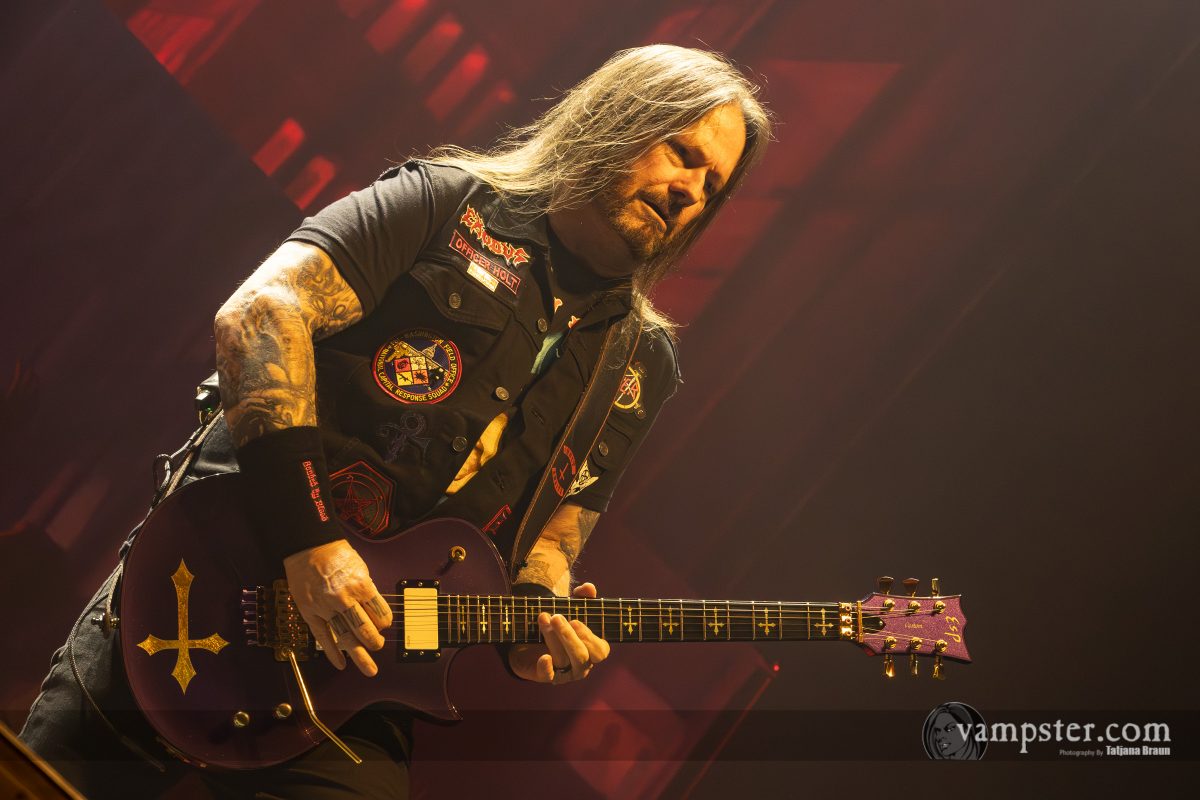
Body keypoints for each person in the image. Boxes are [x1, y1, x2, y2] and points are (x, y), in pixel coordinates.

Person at [19, 44, 771, 798]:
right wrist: (311, 543)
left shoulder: (641, 364)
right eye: (683, 154)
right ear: (616, 120)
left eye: (713, 185)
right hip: (213, 582)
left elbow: (549, 539)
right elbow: (260, 315)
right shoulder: (446, 202)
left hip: (365, 678)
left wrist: (536, 625)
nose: (690, 192)